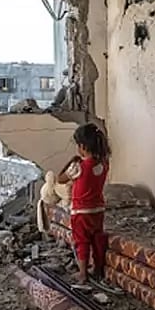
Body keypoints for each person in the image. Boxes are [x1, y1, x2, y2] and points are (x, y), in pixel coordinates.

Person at [57, 122, 111, 285]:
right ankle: (98, 269)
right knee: (96, 239)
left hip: (81, 211)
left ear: (82, 146)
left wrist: (71, 161)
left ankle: (82, 273)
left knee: (82, 241)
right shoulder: (103, 163)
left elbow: (60, 178)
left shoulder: (78, 166)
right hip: (98, 210)